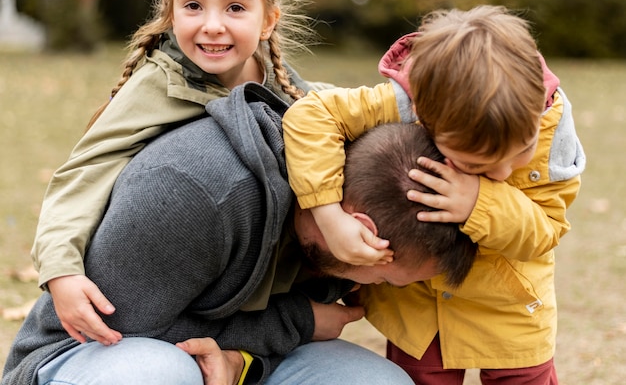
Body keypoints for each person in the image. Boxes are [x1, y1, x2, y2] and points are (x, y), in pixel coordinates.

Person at [2, 83, 477, 385]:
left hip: (241, 359)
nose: (377, 289)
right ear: (363, 232)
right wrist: (299, 323)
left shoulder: (343, 220)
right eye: (391, 279)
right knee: (157, 375)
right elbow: (115, 331)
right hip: (90, 356)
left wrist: (240, 362)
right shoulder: (198, 188)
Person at [30, 0, 332, 347]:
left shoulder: (273, 81)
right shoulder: (157, 84)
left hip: (231, 276)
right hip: (147, 276)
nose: (212, 25)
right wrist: (61, 269)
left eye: (235, 8)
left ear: (267, 21)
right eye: (193, 6)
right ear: (172, 13)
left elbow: (322, 108)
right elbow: (84, 172)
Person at [281, 5, 586, 383]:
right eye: (477, 165)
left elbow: (546, 230)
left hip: (511, 310)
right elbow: (311, 117)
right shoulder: (409, 101)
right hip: (421, 309)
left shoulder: (552, 128)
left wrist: (482, 200)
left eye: (522, 150)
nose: (504, 173)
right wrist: (328, 215)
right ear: (426, 117)